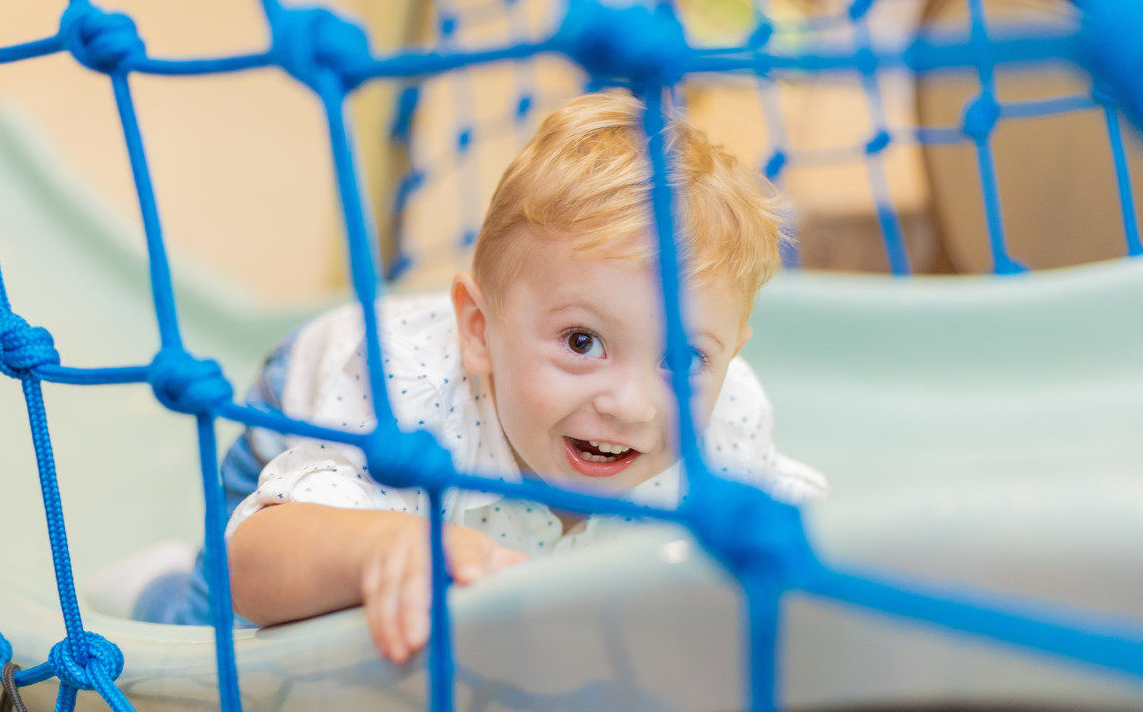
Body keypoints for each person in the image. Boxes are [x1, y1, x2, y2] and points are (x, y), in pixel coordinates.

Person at [130, 89, 826, 662]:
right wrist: (382, 542)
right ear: (478, 331)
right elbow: (252, 564)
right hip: (307, 403)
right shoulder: (408, 405)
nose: (632, 405)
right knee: (225, 642)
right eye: (583, 341)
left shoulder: (728, 414)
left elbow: (811, 538)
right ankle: (152, 584)